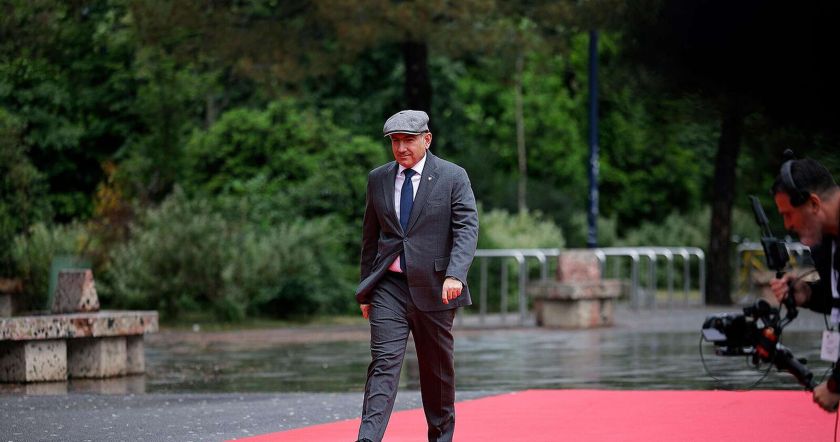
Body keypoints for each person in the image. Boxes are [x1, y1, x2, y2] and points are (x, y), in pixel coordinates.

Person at [354, 110, 479, 442]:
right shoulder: (378, 179)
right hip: (389, 287)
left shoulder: (452, 176)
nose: (401, 148)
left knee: (436, 372)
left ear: (427, 139)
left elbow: (467, 229)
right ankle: (367, 438)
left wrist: (456, 274)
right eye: (395, 141)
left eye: (408, 140)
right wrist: (366, 290)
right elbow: (370, 239)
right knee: (383, 364)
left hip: (437, 288)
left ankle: (440, 438)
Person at [769, 153, 840, 412]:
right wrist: (807, 294)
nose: (787, 225)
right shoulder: (824, 241)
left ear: (813, 203)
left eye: (788, 214)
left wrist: (835, 385)